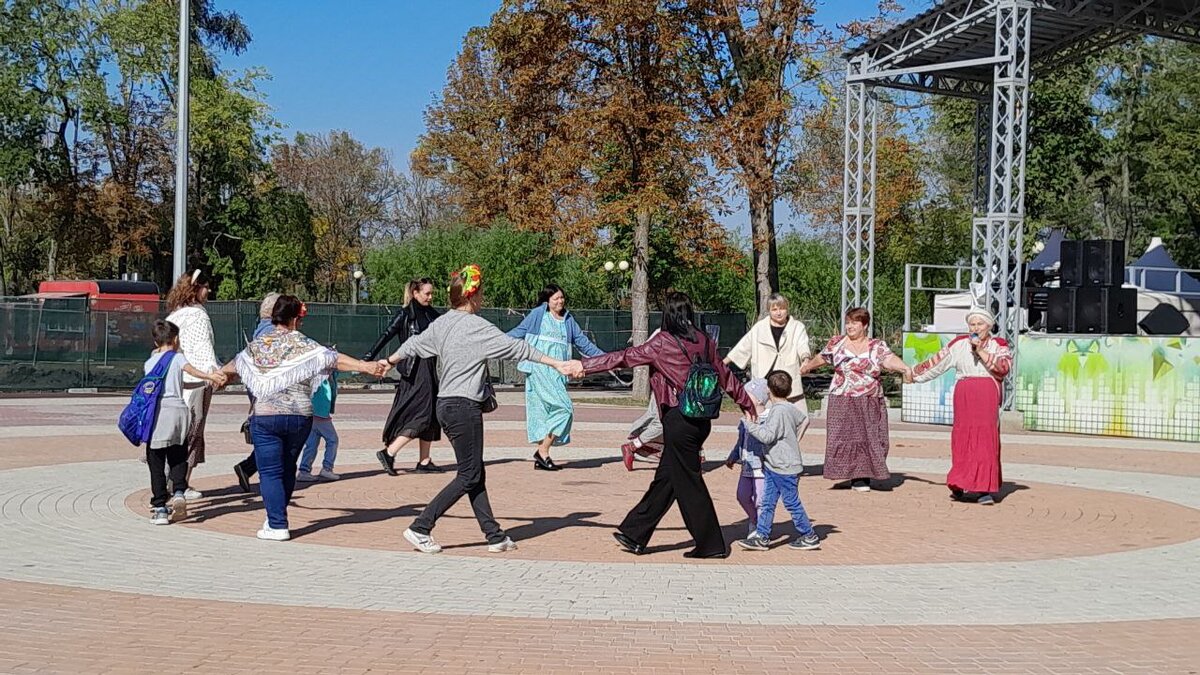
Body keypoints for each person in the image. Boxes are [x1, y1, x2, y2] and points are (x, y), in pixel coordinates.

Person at [379, 265, 576, 554]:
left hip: (445, 405)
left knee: (474, 472)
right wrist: (557, 363)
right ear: (473, 296)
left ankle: (494, 535)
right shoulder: (478, 327)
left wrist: (389, 361)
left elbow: (414, 344)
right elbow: (519, 349)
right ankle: (421, 526)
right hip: (463, 407)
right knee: (468, 474)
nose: (483, 297)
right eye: (481, 292)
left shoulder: (442, 323)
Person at [575, 291, 756, 559]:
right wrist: (745, 401)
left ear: (667, 314)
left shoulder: (662, 342)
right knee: (667, 479)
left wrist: (584, 365)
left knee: (689, 484)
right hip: (701, 419)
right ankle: (634, 533)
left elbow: (625, 357)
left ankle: (711, 544)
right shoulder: (705, 341)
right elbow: (725, 374)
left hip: (678, 419)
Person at [219, 295, 386, 541]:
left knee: (270, 472)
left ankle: (277, 524)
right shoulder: (306, 345)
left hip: (266, 417)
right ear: (297, 318)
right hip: (300, 416)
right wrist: (366, 366)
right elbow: (334, 358)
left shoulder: (257, 346)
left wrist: (217, 376)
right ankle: (276, 517)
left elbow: (234, 366)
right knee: (288, 468)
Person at [908, 307, 1013, 506]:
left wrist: (980, 350)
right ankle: (959, 480)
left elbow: (1003, 368)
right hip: (965, 391)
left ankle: (983, 487)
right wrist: (913, 374)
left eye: (979, 324)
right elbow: (937, 363)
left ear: (989, 326)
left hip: (986, 392)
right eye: (972, 324)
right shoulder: (958, 344)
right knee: (963, 436)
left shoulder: (998, 345)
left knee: (984, 438)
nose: (975, 328)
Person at [799, 307, 911, 492]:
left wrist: (905, 368)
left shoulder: (876, 346)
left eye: (854, 323)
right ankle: (852, 474)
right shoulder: (837, 343)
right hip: (842, 397)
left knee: (870, 436)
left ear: (864, 325)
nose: (849, 326)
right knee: (843, 436)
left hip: (869, 398)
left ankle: (863, 475)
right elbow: (822, 358)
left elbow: (889, 360)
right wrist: (807, 367)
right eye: (848, 322)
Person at [507, 283, 605, 471]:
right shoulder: (538, 314)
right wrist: (493, 343)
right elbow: (518, 332)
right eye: (556, 298)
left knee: (550, 412)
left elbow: (583, 344)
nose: (560, 301)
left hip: (560, 372)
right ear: (547, 301)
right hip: (539, 369)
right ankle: (542, 451)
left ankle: (542, 454)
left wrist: (607, 359)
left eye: (562, 297)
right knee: (564, 408)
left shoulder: (568, 319)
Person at [143, 320, 226, 525]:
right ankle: (179, 491)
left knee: (156, 461)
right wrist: (209, 377)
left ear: (155, 342)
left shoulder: (150, 363)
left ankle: (161, 508)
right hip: (179, 412)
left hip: (158, 414)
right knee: (179, 454)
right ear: (177, 339)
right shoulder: (178, 357)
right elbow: (190, 371)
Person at [735, 371, 820, 552]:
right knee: (767, 502)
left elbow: (767, 436)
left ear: (769, 390)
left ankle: (809, 535)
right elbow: (803, 419)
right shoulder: (789, 408)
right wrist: (792, 440)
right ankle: (762, 536)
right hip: (774, 465)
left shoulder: (778, 412)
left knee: (791, 502)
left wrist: (749, 425)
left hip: (785, 467)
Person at [366, 278, 444, 475]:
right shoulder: (405, 314)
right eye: (427, 293)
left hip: (430, 367)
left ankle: (424, 461)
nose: (430, 296)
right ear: (415, 293)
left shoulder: (433, 314)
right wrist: (368, 358)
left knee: (431, 413)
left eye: (431, 293)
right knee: (422, 414)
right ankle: (389, 452)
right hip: (415, 370)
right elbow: (386, 335)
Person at [165, 269, 221, 499]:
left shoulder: (174, 315)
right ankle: (181, 483)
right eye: (205, 287)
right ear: (196, 289)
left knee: (177, 432)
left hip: (175, 383)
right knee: (193, 432)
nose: (208, 291)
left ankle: (171, 479)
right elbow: (202, 350)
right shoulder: (198, 315)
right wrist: (213, 374)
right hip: (197, 381)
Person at [724, 293, 811, 412]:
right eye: (774, 309)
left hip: (789, 381)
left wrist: (805, 360)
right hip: (766, 383)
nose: (779, 312)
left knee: (802, 419)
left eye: (782, 308)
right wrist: (723, 363)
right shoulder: (759, 328)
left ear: (787, 308)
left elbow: (803, 345)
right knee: (768, 420)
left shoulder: (797, 327)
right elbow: (743, 346)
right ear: (769, 310)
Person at [233, 292, 281, 493]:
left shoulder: (261, 328)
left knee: (273, 437)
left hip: (261, 389)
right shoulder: (270, 332)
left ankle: (251, 468)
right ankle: (256, 471)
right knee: (275, 436)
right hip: (269, 390)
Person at [724, 378, 769, 537]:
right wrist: (733, 456)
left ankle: (761, 529)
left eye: (747, 396)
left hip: (763, 468)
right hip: (746, 466)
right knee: (742, 496)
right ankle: (754, 519)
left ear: (758, 399)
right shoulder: (744, 420)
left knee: (760, 500)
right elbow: (740, 441)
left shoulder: (768, 419)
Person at [297, 371, 339, 482]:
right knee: (333, 440)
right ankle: (327, 468)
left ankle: (304, 470)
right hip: (319, 415)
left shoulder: (324, 376)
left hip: (312, 414)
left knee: (311, 443)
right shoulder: (320, 379)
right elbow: (321, 397)